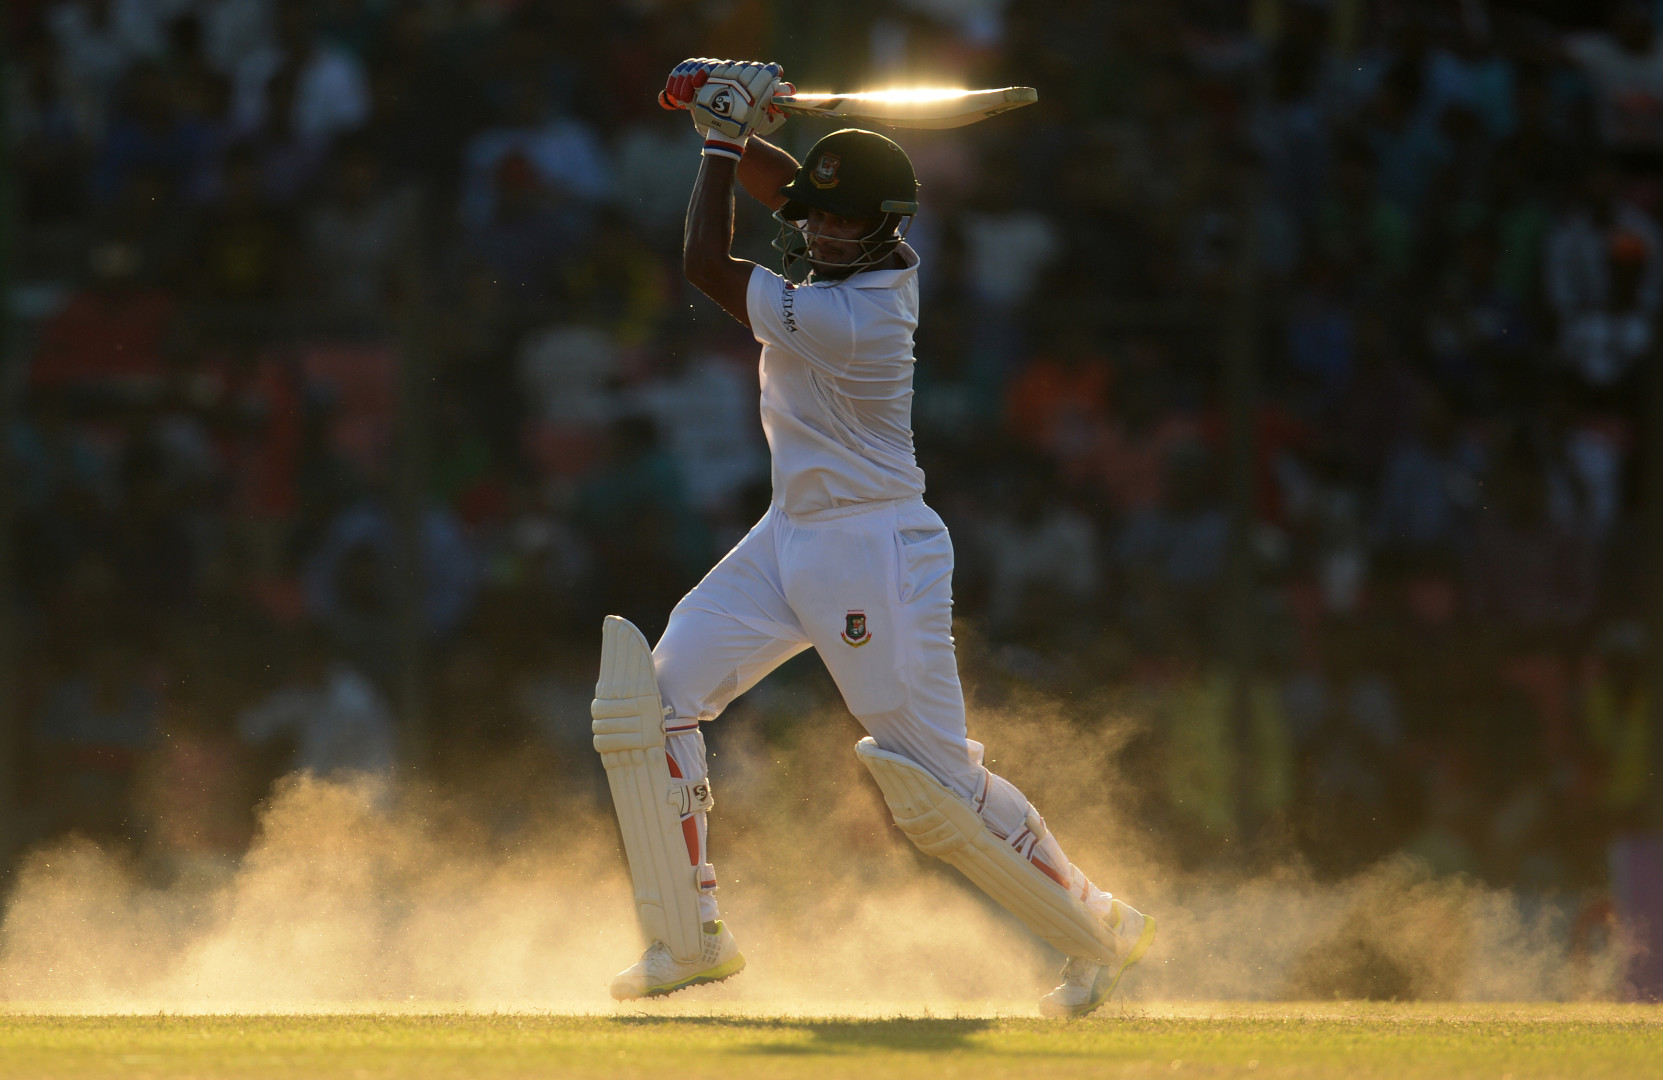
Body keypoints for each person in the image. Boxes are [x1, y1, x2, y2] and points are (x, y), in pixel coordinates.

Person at [591, 59, 1156, 1017]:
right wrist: (724, 123)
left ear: (885, 228)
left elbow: (705, 268)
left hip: (873, 550)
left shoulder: (852, 315)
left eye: (842, 221)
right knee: (651, 702)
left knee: (932, 792)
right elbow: (790, 187)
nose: (819, 230)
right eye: (813, 216)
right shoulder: (848, 246)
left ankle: (1099, 927)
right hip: (790, 534)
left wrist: (724, 140)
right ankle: (689, 940)